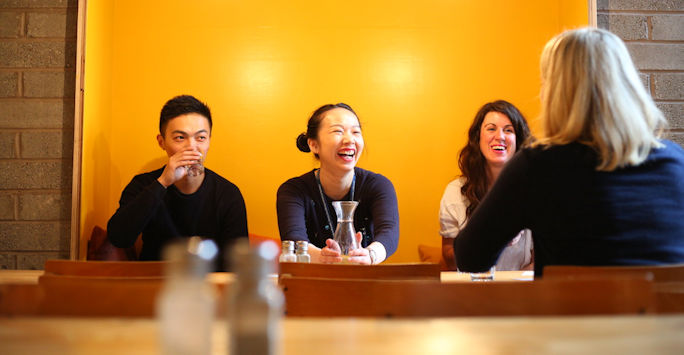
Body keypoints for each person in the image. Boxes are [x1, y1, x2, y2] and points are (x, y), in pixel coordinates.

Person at [454, 28, 684, 277]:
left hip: (577, 315)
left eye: (545, 83)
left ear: (555, 93)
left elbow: (470, 258)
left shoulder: (537, 167)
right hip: (667, 315)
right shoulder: (675, 162)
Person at [107, 95, 248, 271]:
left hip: (209, 290)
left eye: (201, 138)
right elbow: (118, 238)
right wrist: (163, 182)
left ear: (209, 141)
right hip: (154, 287)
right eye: (180, 138)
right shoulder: (143, 185)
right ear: (162, 142)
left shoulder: (228, 194)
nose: (192, 147)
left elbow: (237, 264)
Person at [276, 103, 399, 264]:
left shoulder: (378, 185)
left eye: (356, 132)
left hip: (365, 282)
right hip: (312, 282)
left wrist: (369, 255)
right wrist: (322, 257)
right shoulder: (293, 190)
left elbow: (388, 233)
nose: (349, 140)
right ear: (314, 144)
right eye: (338, 131)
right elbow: (294, 238)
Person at [439, 100, 533, 271]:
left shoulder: (535, 191)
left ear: (518, 140)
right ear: (478, 137)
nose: (500, 136)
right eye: (491, 128)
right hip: (472, 291)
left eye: (509, 130)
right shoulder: (456, 192)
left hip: (522, 292)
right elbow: (449, 256)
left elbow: (541, 258)